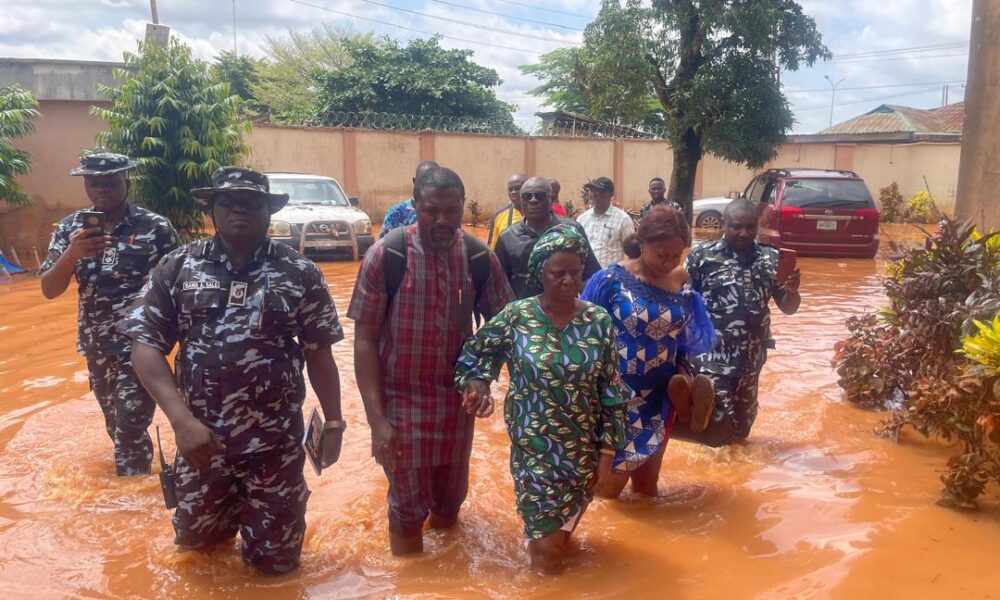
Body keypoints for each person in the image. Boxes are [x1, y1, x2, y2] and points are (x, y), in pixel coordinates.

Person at [125, 167, 346, 575]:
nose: (239, 211)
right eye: (228, 203)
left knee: (276, 567)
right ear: (212, 209)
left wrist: (333, 423)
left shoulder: (300, 272)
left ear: (269, 211)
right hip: (200, 442)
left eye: (252, 203)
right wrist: (180, 420)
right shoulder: (178, 267)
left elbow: (319, 354)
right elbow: (145, 347)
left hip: (275, 446)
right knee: (197, 555)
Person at [349, 166, 514, 556]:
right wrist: (377, 422)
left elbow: (504, 329)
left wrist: (482, 380)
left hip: (457, 405)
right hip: (400, 401)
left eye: (451, 211)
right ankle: (410, 580)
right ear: (415, 205)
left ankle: (445, 581)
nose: (442, 220)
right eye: (431, 211)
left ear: (463, 208)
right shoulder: (386, 254)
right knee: (406, 509)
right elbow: (364, 343)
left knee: (449, 502)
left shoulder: (478, 257)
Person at [454, 224, 627, 574]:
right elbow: (475, 353)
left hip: (583, 450)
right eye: (557, 273)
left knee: (562, 542)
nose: (568, 281)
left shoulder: (599, 321)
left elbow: (611, 389)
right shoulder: (517, 316)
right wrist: (479, 383)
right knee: (547, 557)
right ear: (539, 274)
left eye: (575, 273)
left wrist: (608, 453)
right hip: (535, 450)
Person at [40, 152, 180, 476]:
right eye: (93, 183)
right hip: (96, 344)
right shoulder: (70, 229)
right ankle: (137, 484)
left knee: (130, 426)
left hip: (141, 344)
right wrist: (72, 253)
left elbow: (177, 286)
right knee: (116, 424)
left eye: (110, 182)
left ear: (125, 181)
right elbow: (49, 289)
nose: (101, 189)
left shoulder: (156, 227)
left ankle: (131, 503)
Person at [582, 206, 716, 498]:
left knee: (646, 490)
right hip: (617, 401)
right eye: (661, 255)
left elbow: (686, 335)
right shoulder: (609, 280)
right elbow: (583, 336)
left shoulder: (681, 281)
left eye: (676, 256)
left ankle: (688, 405)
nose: (669, 263)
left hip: (661, 396)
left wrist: (684, 367)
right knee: (606, 492)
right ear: (641, 243)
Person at [676, 198, 801, 446]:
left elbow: (788, 308)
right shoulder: (701, 257)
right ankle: (714, 477)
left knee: (743, 427)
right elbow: (681, 303)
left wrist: (793, 290)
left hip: (751, 359)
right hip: (712, 356)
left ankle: (737, 473)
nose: (744, 233)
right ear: (724, 225)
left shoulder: (771, 258)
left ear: (757, 226)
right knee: (718, 421)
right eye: (737, 226)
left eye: (750, 227)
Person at [494, 176, 601, 299]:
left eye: (539, 196)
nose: (533, 201)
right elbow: (499, 284)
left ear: (551, 199)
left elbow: (591, 275)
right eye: (527, 196)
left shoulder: (572, 230)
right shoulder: (508, 237)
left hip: (564, 312)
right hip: (524, 315)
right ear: (521, 201)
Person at [576, 177, 635, 268]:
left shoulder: (623, 219)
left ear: (610, 195)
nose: (593, 195)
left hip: (611, 277)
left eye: (599, 191)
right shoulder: (582, 219)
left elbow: (631, 252)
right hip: (587, 277)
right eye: (591, 191)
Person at [379, 160, 439, 239]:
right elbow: (383, 247)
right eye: (423, 181)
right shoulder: (395, 214)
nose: (428, 185)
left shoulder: (446, 214)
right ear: (415, 181)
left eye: (433, 181)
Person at [486, 173, 527, 249]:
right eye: (510, 189)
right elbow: (491, 248)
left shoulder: (537, 214)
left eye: (517, 188)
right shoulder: (499, 216)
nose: (513, 192)